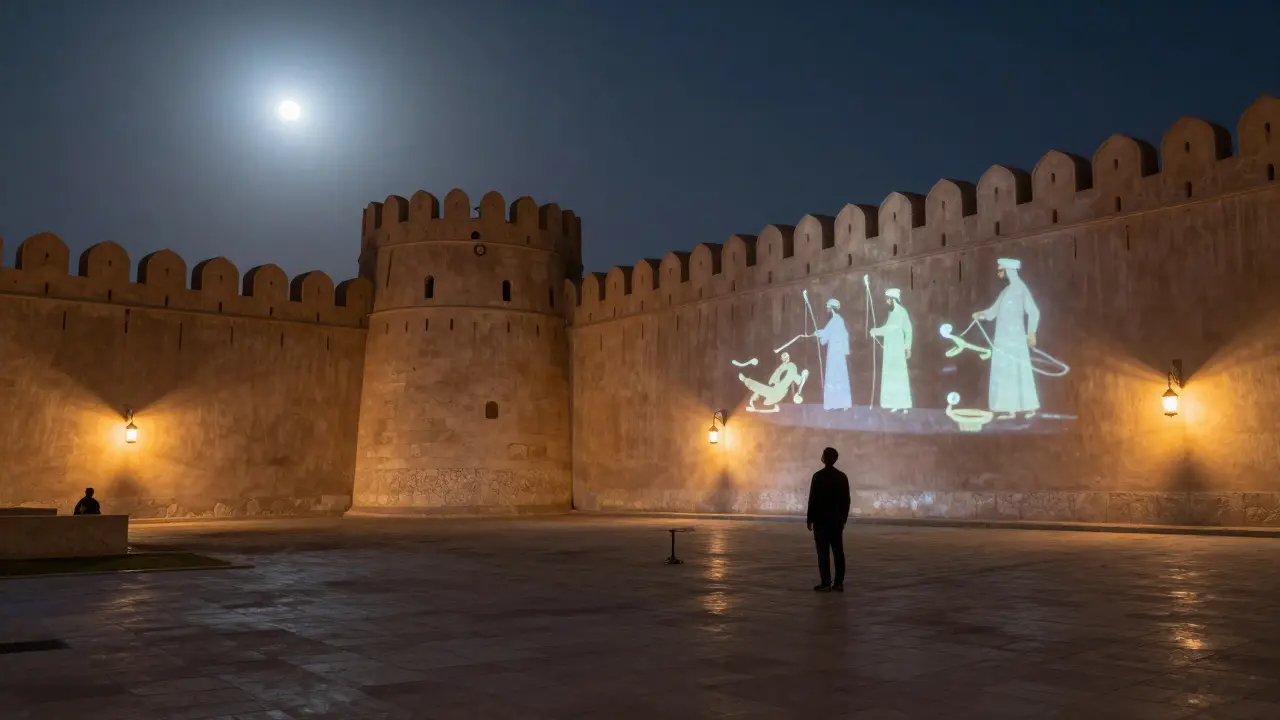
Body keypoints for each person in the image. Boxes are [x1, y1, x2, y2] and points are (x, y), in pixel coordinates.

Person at [973, 258, 1041, 419]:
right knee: (1004, 372)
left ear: (1009, 271)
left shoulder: (1020, 289)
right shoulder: (1005, 292)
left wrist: (1031, 332)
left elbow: (1033, 311)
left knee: (1019, 370)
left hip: (1015, 338)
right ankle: (1009, 409)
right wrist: (981, 314)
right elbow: (993, 312)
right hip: (1002, 338)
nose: (998, 273)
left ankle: (1029, 406)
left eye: (1000, 270)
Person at [806, 447, 850, 592]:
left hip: (821, 521)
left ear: (824, 458)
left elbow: (812, 500)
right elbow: (846, 501)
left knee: (823, 553)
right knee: (838, 552)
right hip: (836, 521)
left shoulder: (817, 476)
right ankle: (839, 583)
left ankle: (825, 583)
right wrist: (843, 519)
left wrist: (809, 518)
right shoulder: (842, 477)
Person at [869, 288, 913, 412]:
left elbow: (905, 330)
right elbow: (888, 329)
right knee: (891, 377)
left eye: (888, 300)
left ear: (893, 299)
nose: (887, 302)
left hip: (897, 350)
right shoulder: (892, 313)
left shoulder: (900, 312)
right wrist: (876, 332)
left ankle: (904, 404)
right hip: (890, 349)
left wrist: (907, 347)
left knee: (899, 376)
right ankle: (895, 403)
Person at [812, 298, 852, 410]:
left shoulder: (837, 320)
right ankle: (835, 403)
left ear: (831, 308)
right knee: (833, 377)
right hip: (834, 352)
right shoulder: (835, 320)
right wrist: (819, 333)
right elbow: (827, 333)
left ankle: (842, 403)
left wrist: (819, 333)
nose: (827, 310)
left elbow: (829, 333)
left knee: (838, 377)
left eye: (828, 308)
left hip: (837, 352)